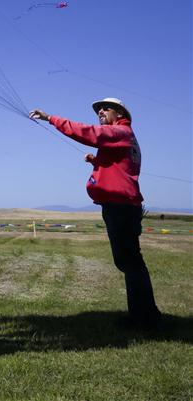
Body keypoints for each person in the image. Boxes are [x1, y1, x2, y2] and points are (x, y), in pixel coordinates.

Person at [29, 98, 161, 330]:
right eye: (98, 109)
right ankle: (143, 315)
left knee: (130, 263)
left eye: (105, 108)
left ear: (118, 112)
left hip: (120, 207)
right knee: (129, 262)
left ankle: (146, 319)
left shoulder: (120, 131)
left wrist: (51, 119)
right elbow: (120, 168)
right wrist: (96, 162)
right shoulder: (123, 135)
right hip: (121, 206)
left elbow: (90, 133)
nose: (100, 111)